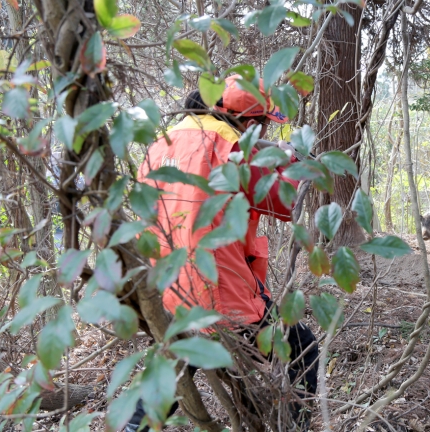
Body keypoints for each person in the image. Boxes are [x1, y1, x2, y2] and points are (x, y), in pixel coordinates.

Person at [124, 75, 318, 431]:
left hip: (165, 283)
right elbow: (283, 202)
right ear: (247, 121)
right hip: (216, 284)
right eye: (260, 125)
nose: (261, 132)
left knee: (173, 370)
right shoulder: (232, 145)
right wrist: (299, 163)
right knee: (302, 349)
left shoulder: (165, 140)